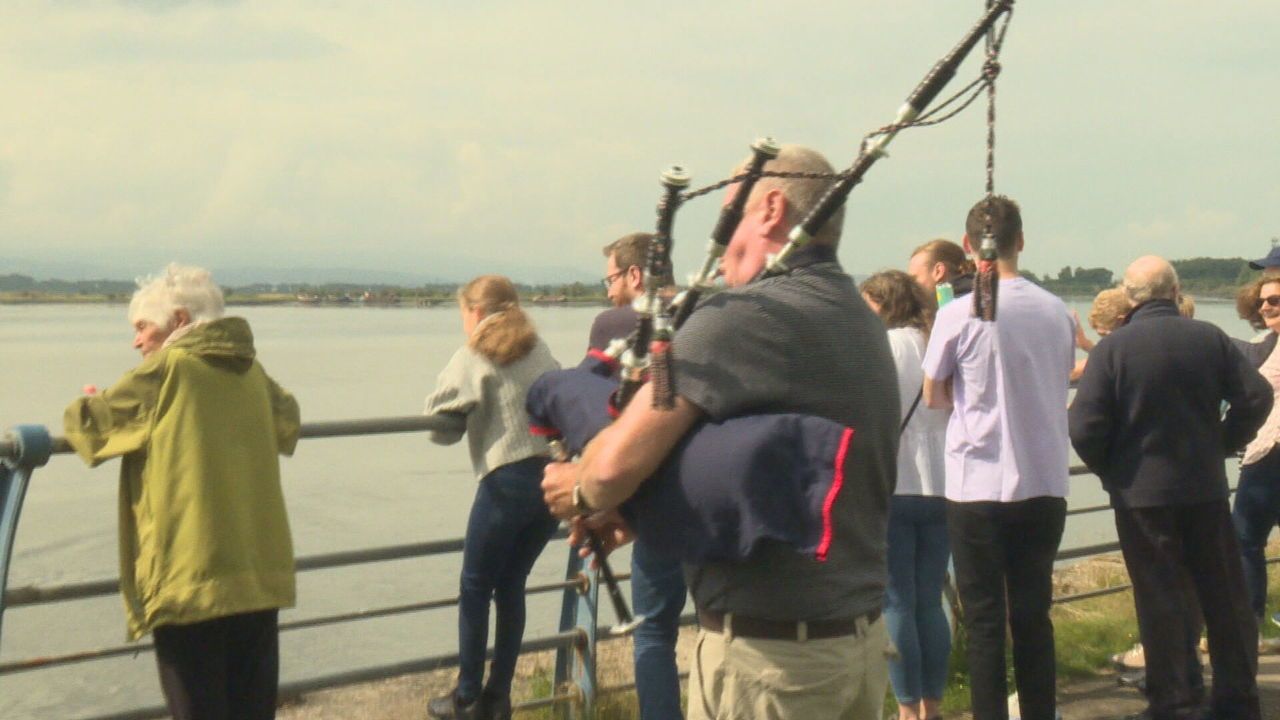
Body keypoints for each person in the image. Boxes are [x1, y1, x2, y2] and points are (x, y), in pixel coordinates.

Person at [542, 144, 898, 719]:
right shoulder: (860, 318)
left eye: (728, 208)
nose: (718, 229)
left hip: (772, 668)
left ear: (771, 209)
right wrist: (637, 515)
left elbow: (613, 466)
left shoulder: (743, 317)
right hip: (854, 649)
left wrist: (577, 487)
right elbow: (764, 473)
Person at [62, 263, 300, 720]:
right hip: (257, 576)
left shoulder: (168, 369)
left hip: (189, 580)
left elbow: (91, 429)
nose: (136, 342)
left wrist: (87, 398)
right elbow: (288, 422)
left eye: (142, 328)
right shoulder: (252, 372)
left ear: (180, 321)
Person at [1069, 256, 1270, 720]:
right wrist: (1224, 440)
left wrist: (1112, 469)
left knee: (1160, 598)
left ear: (1129, 295)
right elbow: (1256, 395)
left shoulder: (1113, 350)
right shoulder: (1208, 338)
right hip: (1204, 487)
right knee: (1223, 596)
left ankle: (1176, 700)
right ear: (1176, 290)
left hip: (1141, 495)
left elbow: (1083, 427)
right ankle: (1238, 699)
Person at [922, 196, 1074, 720]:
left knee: (986, 622)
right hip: (1044, 477)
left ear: (968, 247)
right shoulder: (1056, 309)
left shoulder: (954, 313)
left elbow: (934, 395)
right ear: (1022, 241)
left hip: (976, 484)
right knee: (1034, 616)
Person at [425, 276, 562, 720]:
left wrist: (458, 419)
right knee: (511, 585)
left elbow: (436, 419)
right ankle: (498, 697)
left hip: (506, 482)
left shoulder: (473, 355)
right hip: (550, 482)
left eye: (463, 314)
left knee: (474, 585)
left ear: (476, 312)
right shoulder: (538, 348)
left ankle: (466, 697)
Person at [586, 231, 688, 720]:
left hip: (653, 503)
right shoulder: (703, 311)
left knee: (652, 634)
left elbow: (591, 406)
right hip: (709, 494)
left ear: (633, 275)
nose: (608, 292)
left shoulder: (614, 323)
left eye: (611, 278)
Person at [862, 270, 950, 720]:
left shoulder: (885, 348)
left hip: (895, 482)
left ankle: (906, 708)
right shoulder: (938, 338)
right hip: (944, 483)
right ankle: (932, 705)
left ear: (883, 302)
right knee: (929, 601)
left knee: (895, 601)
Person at [1233, 275, 1280, 636]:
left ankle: (1249, 626)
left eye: (1275, 300)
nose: (1266, 306)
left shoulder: (1267, 348)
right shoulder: (1267, 343)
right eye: (1262, 301)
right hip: (1267, 451)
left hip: (1270, 453)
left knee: (1245, 538)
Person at [907, 238, 975, 303]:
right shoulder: (979, 296)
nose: (910, 287)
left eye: (914, 279)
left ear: (938, 271)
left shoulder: (951, 310)